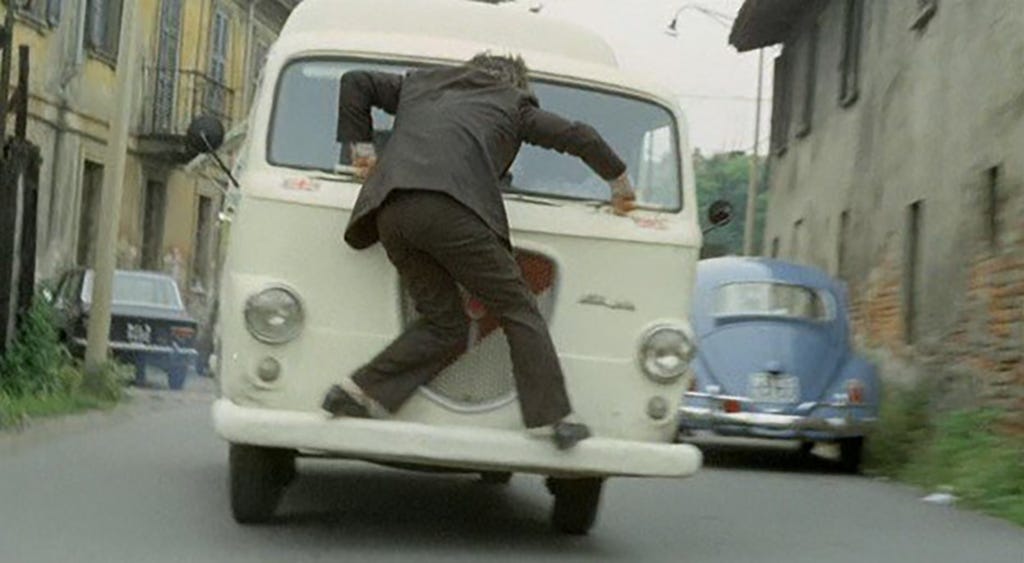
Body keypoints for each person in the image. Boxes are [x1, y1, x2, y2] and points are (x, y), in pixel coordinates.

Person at [322, 53, 636, 450]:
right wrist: (620, 184)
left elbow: (356, 80)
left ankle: (357, 391)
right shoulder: (513, 103)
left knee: (444, 323)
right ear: (517, 85)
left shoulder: (421, 84)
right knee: (518, 307)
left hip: (391, 211)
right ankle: (552, 417)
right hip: (451, 211)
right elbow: (579, 136)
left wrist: (363, 149)